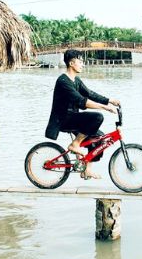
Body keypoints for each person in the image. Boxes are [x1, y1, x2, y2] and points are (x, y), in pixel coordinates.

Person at [44, 49, 120, 179]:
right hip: (63, 120)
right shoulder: (63, 81)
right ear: (72, 63)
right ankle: (75, 144)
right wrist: (105, 107)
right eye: (80, 62)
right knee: (97, 117)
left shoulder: (76, 80)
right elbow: (81, 101)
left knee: (100, 140)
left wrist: (109, 100)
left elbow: (89, 94)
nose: (82, 64)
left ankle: (87, 170)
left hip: (74, 119)